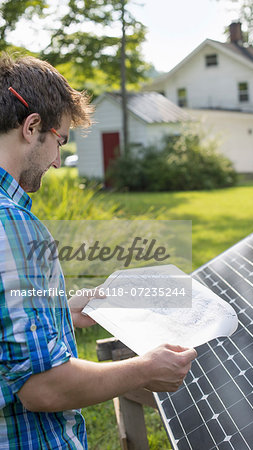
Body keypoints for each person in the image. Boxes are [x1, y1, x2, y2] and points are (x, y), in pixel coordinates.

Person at [0, 54, 197, 449]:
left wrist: (62, 311)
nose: (58, 161)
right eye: (60, 141)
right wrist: (144, 369)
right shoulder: (12, 224)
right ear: (32, 126)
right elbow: (44, 388)